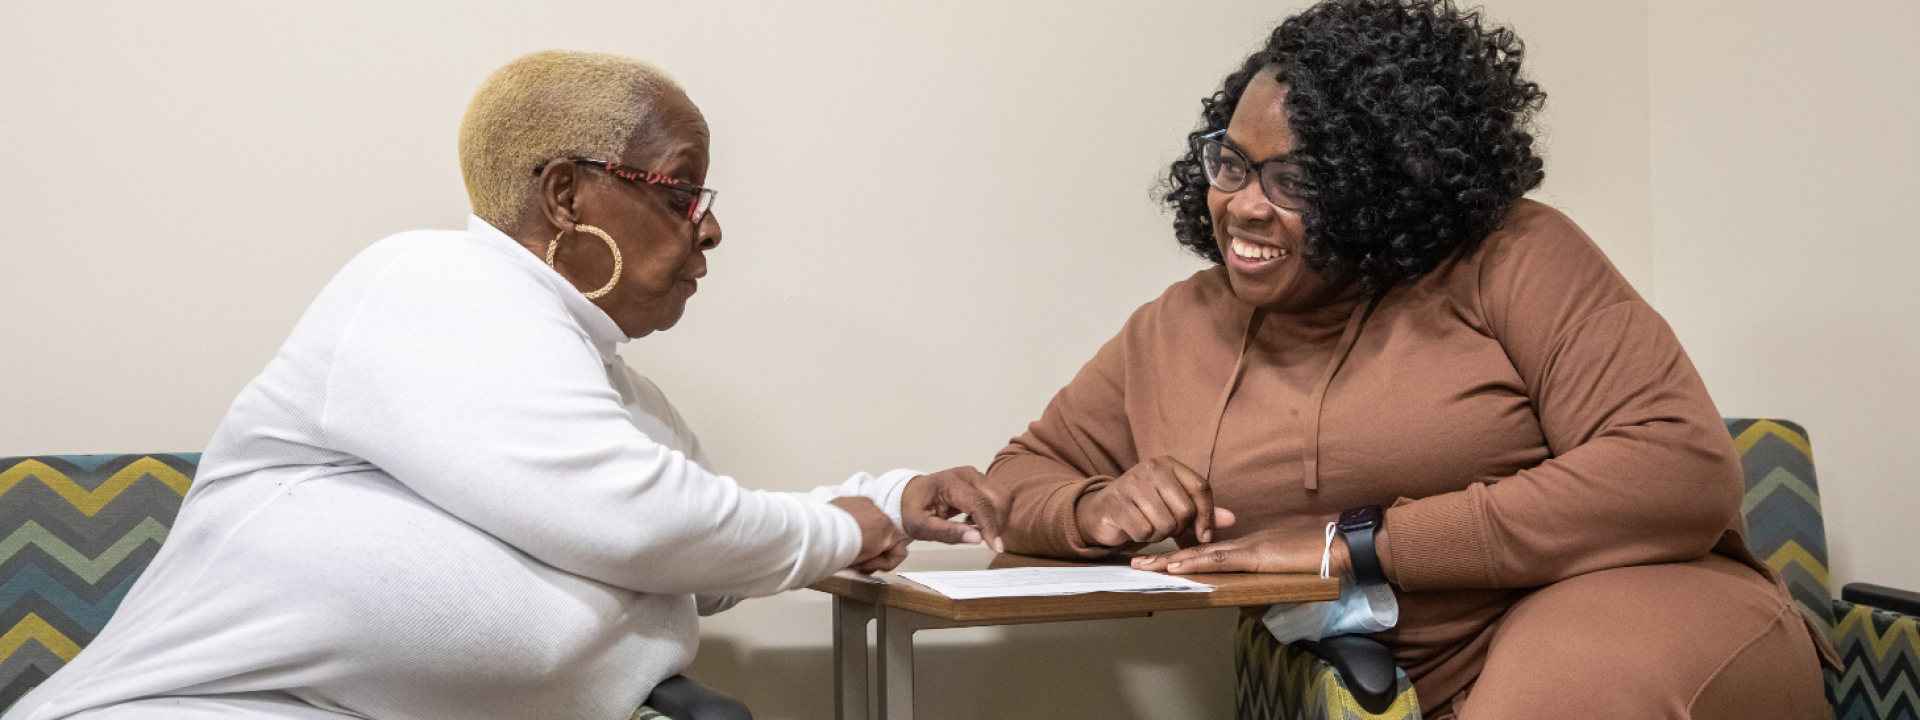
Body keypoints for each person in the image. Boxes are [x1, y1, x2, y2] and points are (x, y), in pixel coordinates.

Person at [5, 50, 997, 720]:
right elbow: (638, 521)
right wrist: (846, 527)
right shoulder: (431, 280)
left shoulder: (620, 400)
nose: (710, 227)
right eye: (683, 189)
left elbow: (698, 545)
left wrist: (885, 502)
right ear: (568, 194)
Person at [978, 1, 1834, 718]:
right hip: (1413, 680)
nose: (1242, 204)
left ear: (1384, 184)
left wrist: (1357, 543)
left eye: (1297, 180)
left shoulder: (1511, 255)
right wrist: (1091, 507)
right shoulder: (1175, 328)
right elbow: (1017, 479)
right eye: (1230, 162)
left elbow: (1676, 469)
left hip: (1642, 609)